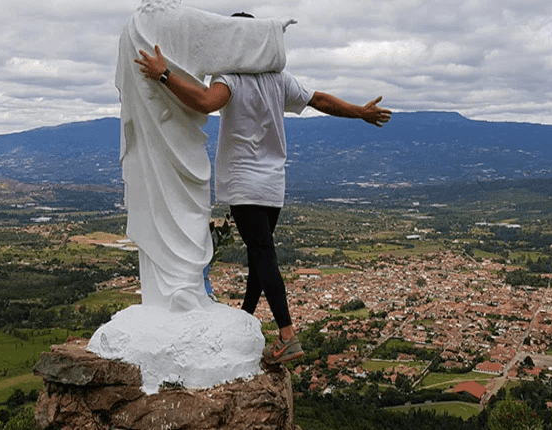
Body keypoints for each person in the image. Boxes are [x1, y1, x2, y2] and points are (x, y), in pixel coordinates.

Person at [134, 34, 391, 364]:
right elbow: (319, 100)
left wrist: (164, 74)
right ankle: (246, 316)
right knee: (261, 253)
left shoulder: (231, 79)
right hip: (273, 185)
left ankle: (287, 334)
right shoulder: (278, 80)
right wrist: (360, 112)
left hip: (244, 183)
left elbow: (203, 101)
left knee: (262, 253)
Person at [115, 0, 296, 313]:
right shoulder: (183, 21)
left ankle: (165, 296)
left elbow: (124, 86)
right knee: (188, 211)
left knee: (157, 208)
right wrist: (275, 30)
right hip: (178, 138)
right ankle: (184, 293)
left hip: (150, 143)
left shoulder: (129, 29)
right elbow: (233, 35)